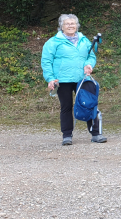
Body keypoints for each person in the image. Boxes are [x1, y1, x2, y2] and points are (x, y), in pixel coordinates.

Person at [41, 14, 107, 145]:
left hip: (82, 79)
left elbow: (91, 56)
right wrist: (50, 78)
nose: (70, 26)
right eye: (67, 24)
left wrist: (89, 64)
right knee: (66, 107)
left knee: (89, 104)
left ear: (77, 25)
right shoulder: (53, 42)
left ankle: (95, 134)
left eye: (73, 23)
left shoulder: (84, 40)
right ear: (61, 26)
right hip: (62, 80)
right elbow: (46, 61)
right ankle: (67, 136)